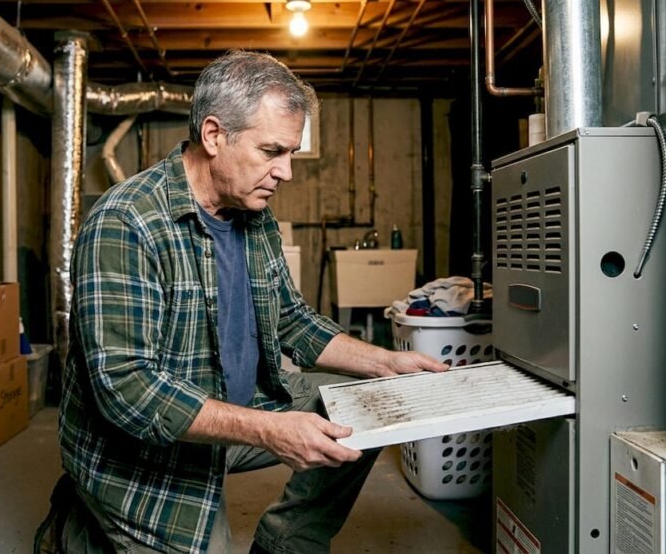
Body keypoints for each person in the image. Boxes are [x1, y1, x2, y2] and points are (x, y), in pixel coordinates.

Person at [44, 50, 446, 554]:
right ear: (214, 136)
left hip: (236, 408)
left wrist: (385, 362)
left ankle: (285, 544)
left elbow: (293, 321)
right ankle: (79, 525)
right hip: (145, 452)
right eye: (272, 151)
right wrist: (271, 430)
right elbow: (128, 391)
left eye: (290, 154)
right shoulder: (126, 222)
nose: (286, 173)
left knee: (369, 405)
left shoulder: (254, 219)